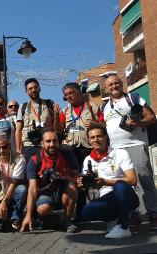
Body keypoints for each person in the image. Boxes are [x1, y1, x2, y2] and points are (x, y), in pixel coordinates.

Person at [101, 74, 157, 228]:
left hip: (136, 144)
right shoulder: (104, 106)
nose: (114, 87)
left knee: (145, 179)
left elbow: (152, 117)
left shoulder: (134, 98)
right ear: (105, 88)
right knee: (126, 183)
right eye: (110, 85)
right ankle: (133, 213)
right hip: (116, 149)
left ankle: (153, 213)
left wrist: (139, 123)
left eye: (116, 83)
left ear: (122, 84)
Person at [77, 126, 139, 238]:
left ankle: (123, 227)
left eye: (99, 136)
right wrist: (81, 184)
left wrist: (106, 182)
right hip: (106, 199)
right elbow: (86, 186)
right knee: (86, 211)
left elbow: (133, 180)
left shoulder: (120, 153)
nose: (96, 139)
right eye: (92, 137)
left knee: (119, 186)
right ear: (89, 141)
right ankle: (115, 219)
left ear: (106, 138)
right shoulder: (88, 160)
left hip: (126, 195)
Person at [57, 82, 103, 222]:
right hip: (71, 151)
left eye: (71, 93)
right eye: (66, 95)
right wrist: (54, 114)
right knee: (77, 181)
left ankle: (94, 210)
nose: (69, 96)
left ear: (79, 92)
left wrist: (96, 124)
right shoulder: (65, 111)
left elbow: (104, 124)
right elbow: (59, 130)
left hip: (89, 149)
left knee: (91, 179)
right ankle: (77, 213)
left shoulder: (92, 107)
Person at [20, 131, 79, 233]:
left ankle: (67, 220)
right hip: (44, 193)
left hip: (63, 191)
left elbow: (77, 175)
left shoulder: (66, 153)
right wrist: (28, 215)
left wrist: (64, 178)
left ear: (58, 142)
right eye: (48, 141)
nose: (52, 144)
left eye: (54, 141)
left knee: (72, 187)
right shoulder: (34, 161)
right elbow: (32, 189)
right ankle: (50, 219)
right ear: (42, 144)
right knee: (43, 209)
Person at [0, 136, 27, 232]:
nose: (1, 150)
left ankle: (15, 218)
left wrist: (4, 202)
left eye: (4, 147)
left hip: (13, 196)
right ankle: (5, 217)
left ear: (10, 146)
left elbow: (14, 182)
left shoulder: (20, 158)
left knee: (22, 189)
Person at [15, 78, 59, 160]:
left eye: (35, 87)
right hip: (28, 146)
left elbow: (55, 127)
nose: (33, 90)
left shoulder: (49, 104)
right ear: (26, 91)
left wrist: (57, 115)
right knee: (30, 171)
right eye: (30, 88)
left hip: (46, 145)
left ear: (39, 88)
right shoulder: (23, 106)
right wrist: (18, 149)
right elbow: (19, 129)